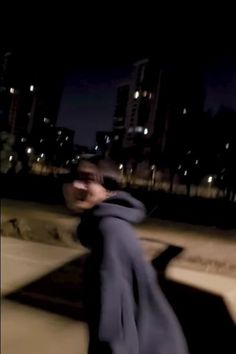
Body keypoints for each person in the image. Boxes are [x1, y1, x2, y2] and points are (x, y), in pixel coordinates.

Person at [63, 156, 189, 354]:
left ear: (108, 188)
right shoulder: (107, 229)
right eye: (73, 177)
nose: (76, 185)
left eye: (88, 179)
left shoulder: (109, 232)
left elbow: (114, 329)